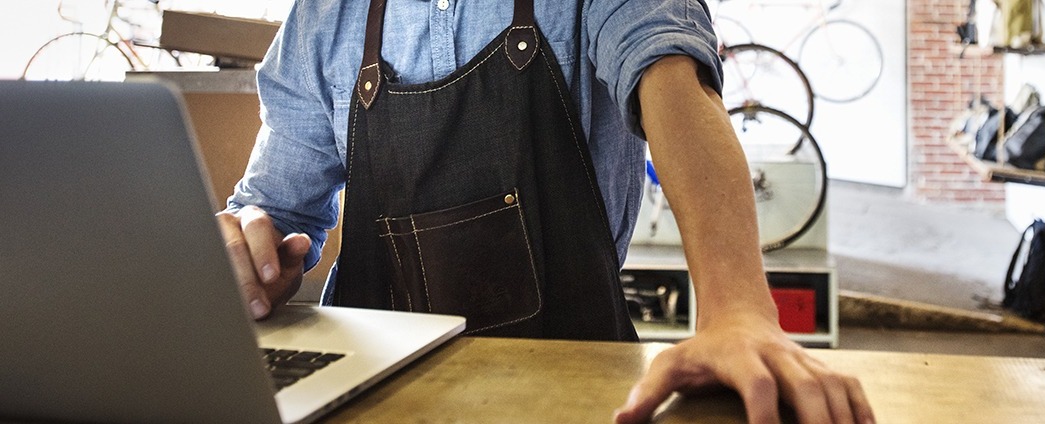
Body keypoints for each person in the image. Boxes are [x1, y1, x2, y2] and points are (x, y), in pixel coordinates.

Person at [215, 0, 874, 423]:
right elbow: (273, 208)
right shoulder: (324, 17)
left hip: (579, 394)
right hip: (372, 399)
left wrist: (736, 310)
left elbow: (674, 81)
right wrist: (245, 251)